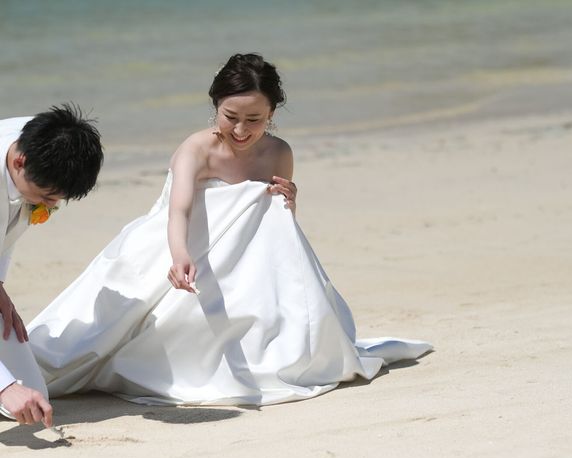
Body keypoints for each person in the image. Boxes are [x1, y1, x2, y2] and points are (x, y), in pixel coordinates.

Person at [28, 54, 431, 407]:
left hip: (242, 260)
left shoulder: (279, 152)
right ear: (215, 107)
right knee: (98, 338)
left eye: (254, 120)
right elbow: (178, 210)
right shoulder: (196, 149)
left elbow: (274, 225)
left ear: (272, 113)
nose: (240, 130)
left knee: (266, 208)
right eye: (230, 117)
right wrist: (180, 255)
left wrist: (289, 201)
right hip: (177, 242)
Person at [0, 104, 104, 426]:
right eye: (47, 197)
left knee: (32, 394)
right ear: (19, 162)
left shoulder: (45, 143)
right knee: (11, 393)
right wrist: (4, 387)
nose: (51, 205)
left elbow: (7, 232)